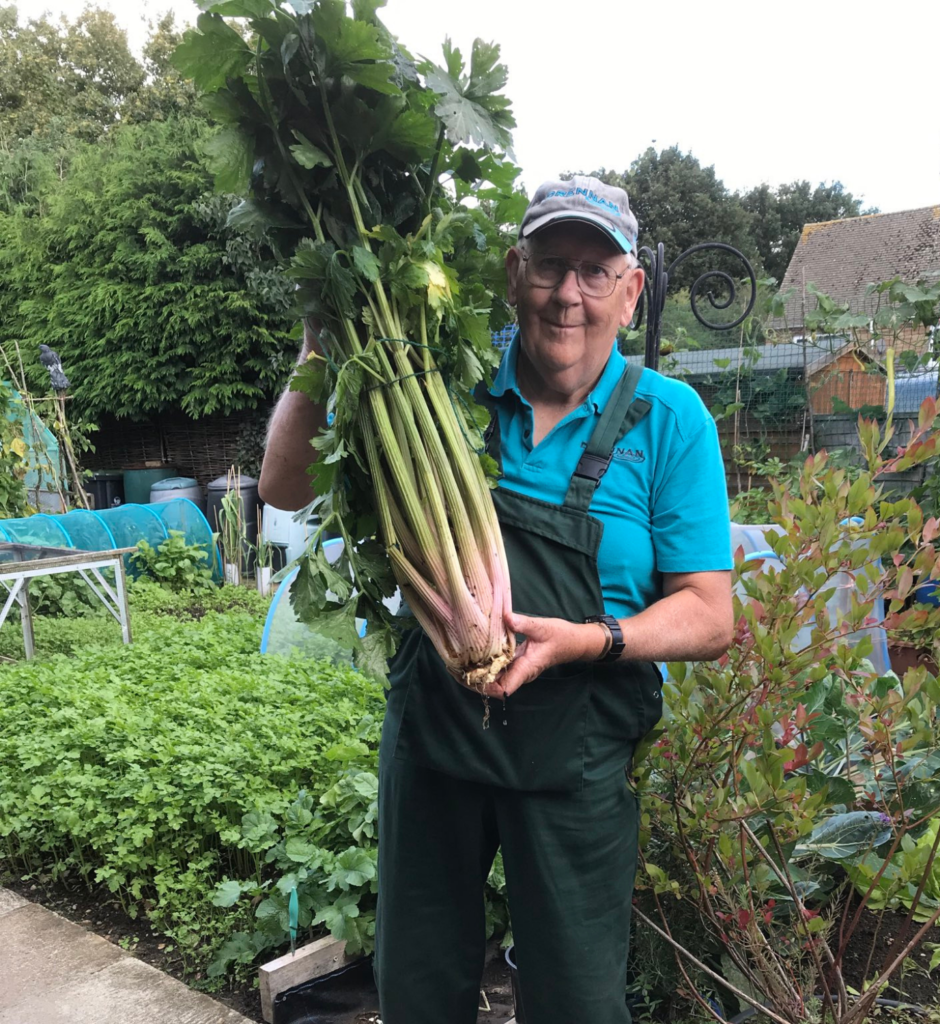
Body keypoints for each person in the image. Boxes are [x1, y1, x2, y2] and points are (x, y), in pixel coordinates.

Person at [259, 175, 734, 1024]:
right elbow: (284, 485)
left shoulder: (671, 421)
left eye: (596, 272)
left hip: (579, 752)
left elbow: (708, 614)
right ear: (514, 273)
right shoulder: (435, 389)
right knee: (419, 984)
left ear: (631, 293)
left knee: (579, 1000)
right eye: (551, 264)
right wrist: (321, 343)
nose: (568, 294)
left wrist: (593, 640)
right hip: (437, 736)